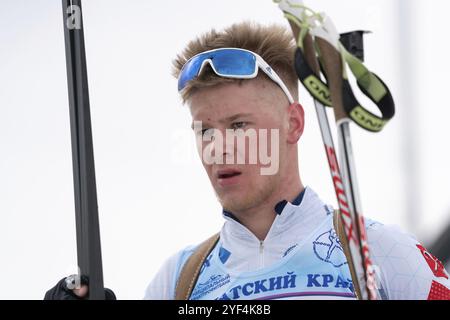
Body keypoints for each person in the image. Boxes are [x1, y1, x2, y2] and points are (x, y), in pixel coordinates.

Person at [45, 21, 450, 300]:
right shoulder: (178, 280)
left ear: (293, 124)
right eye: (204, 130)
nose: (218, 147)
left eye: (239, 125)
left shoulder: (378, 252)